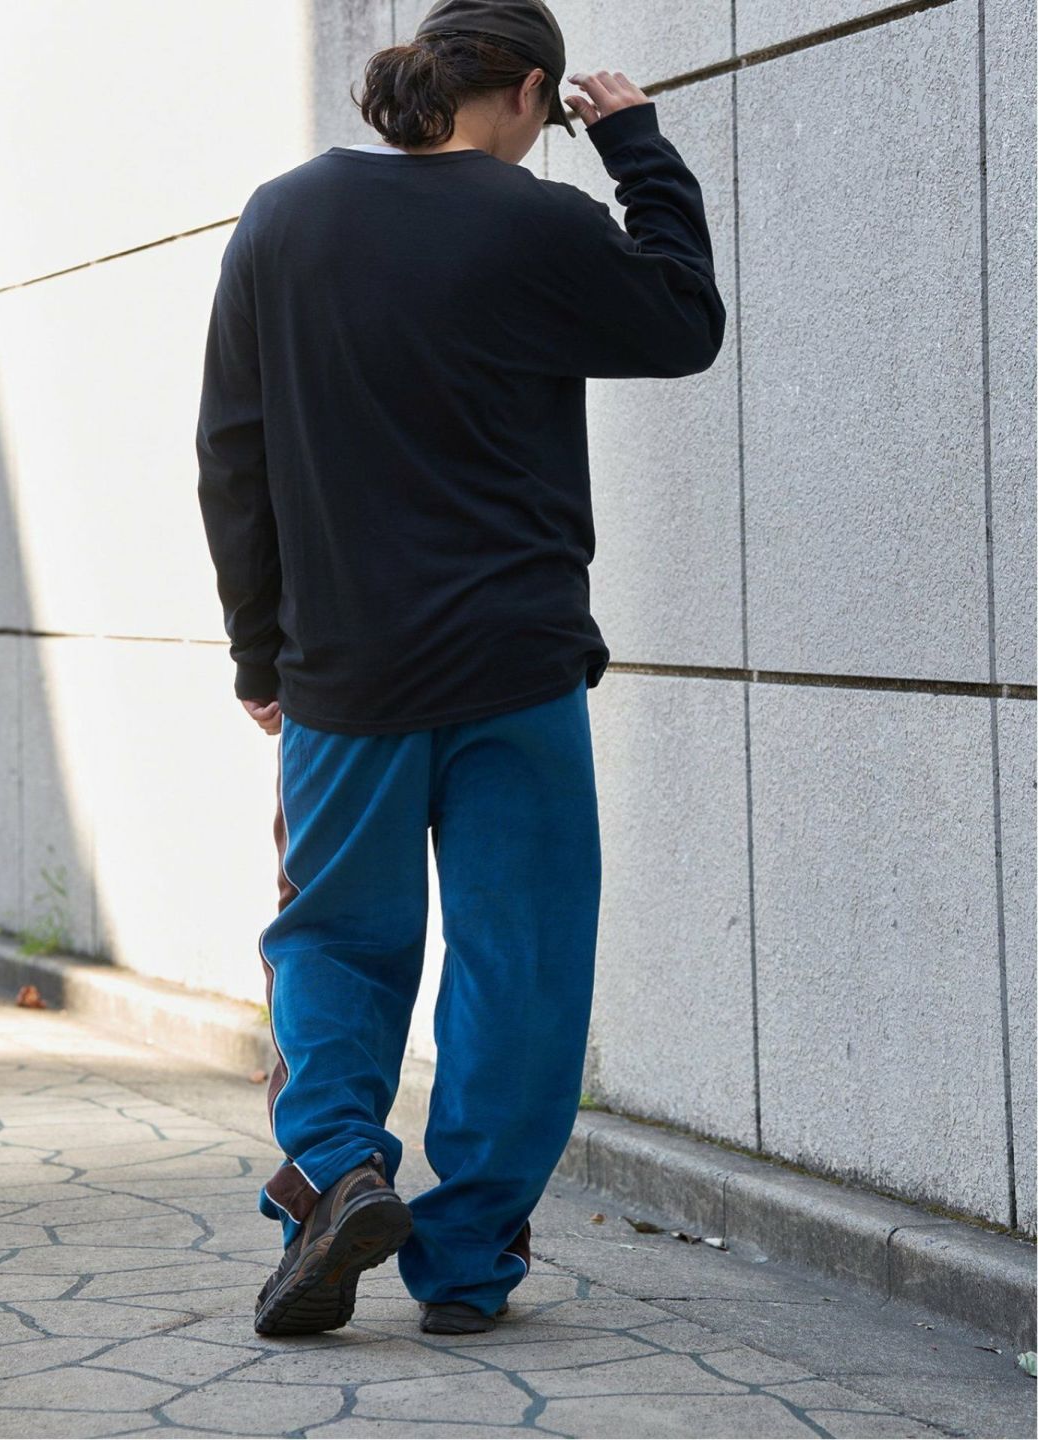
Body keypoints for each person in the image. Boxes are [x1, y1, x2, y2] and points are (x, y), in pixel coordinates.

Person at [194, 0, 725, 1338]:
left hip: (347, 671)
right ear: (533, 93)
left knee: (334, 939)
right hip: (517, 667)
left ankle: (338, 1173)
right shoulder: (538, 222)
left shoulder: (283, 219)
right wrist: (639, 147)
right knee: (519, 960)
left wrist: (259, 648)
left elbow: (233, 452)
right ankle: (471, 1259)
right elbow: (683, 322)